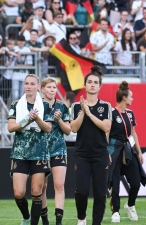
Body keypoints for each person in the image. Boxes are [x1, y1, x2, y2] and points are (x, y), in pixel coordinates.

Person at [7, 74, 53, 225]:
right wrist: (27, 119)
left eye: (32, 84)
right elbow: (11, 127)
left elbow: (48, 128)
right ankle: (26, 217)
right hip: (20, 152)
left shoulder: (45, 105)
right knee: (18, 193)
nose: (29, 86)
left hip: (39, 152)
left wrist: (37, 119)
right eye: (26, 83)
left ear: (38, 87)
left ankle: (33, 222)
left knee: (36, 191)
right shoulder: (16, 104)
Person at [70, 66, 112, 225]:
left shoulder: (106, 106)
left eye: (95, 82)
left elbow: (106, 127)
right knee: (81, 191)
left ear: (99, 86)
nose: (92, 85)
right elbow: (73, 128)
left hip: (100, 154)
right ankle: (82, 219)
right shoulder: (76, 106)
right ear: (85, 85)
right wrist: (82, 111)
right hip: (82, 155)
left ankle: (96, 223)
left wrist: (89, 113)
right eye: (89, 82)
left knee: (101, 194)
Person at [108, 81, 145, 223]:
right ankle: (115, 211)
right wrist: (107, 152)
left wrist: (139, 151)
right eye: (131, 96)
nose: (132, 99)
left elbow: (133, 133)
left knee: (136, 182)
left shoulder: (130, 113)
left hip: (128, 150)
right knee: (115, 183)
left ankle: (130, 205)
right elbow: (106, 133)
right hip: (114, 150)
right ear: (124, 98)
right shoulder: (111, 113)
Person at [40, 77, 71, 225]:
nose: (52, 90)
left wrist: (59, 120)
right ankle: (45, 219)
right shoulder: (37, 105)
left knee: (59, 185)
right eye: (49, 87)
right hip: (41, 150)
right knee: (42, 186)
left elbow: (68, 131)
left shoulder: (62, 106)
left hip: (59, 149)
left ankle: (59, 221)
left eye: (54, 87)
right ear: (42, 89)